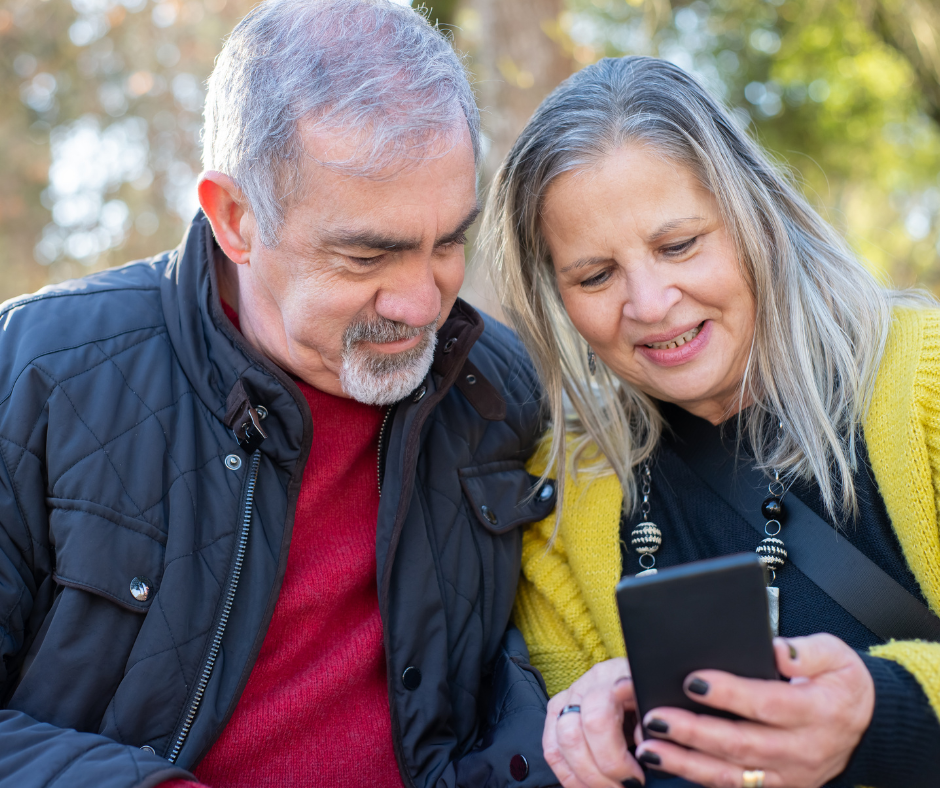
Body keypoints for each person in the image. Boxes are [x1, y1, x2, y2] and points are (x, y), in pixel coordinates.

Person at [0, 2, 559, 787]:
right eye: (369, 254)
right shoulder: (35, 372)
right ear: (235, 218)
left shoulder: (496, 388)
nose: (423, 304)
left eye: (448, 243)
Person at [484, 56, 940, 788]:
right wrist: (582, 731)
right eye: (595, 275)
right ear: (555, 298)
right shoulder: (562, 502)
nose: (650, 302)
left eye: (678, 245)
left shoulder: (924, 386)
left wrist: (883, 710)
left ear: (757, 216)